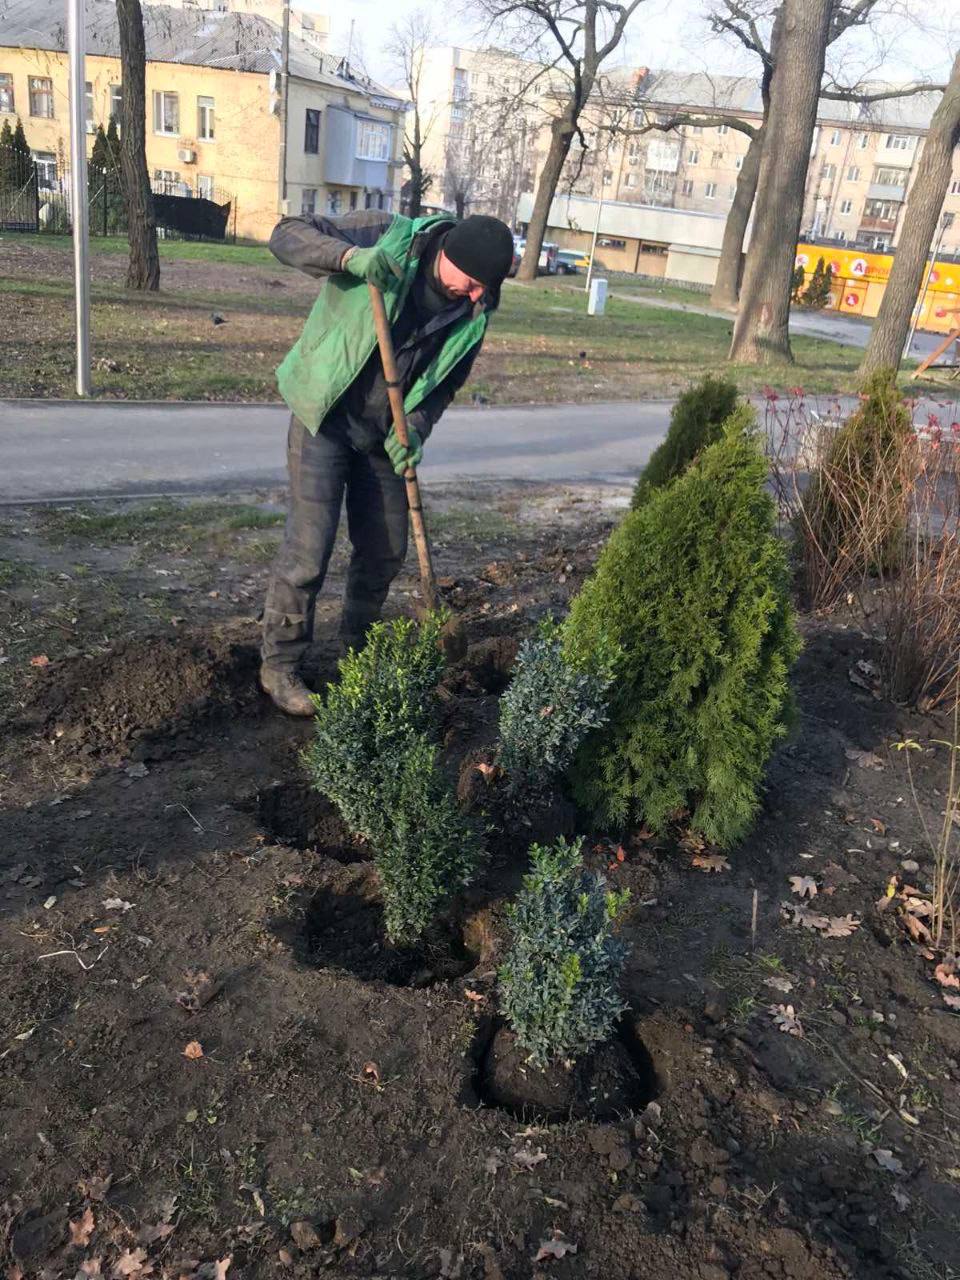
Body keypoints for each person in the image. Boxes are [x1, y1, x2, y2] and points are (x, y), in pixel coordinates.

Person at [259, 208, 515, 715]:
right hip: (325, 416)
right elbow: (284, 234)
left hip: (385, 433)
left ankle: (354, 654)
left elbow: (444, 386)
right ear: (449, 255)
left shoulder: (476, 310)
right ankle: (280, 665)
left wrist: (415, 428)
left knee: (385, 550)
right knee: (309, 550)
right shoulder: (387, 235)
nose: (476, 295)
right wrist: (348, 258)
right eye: (472, 283)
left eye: (485, 288)